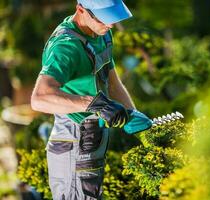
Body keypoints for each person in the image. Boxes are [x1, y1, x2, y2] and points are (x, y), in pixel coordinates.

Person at [31, 0, 135, 199]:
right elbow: (39, 98)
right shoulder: (66, 47)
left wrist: (132, 114)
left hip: (94, 134)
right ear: (81, 10)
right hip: (74, 140)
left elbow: (112, 82)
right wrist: (93, 103)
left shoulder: (100, 33)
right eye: (105, 18)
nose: (111, 24)